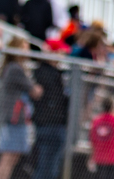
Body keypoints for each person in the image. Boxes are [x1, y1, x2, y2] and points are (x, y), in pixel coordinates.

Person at [0, 37, 42, 179]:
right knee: (7, 157)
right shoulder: (15, 68)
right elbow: (35, 91)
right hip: (14, 119)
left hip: (19, 119)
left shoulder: (17, 68)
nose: (27, 51)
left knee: (13, 157)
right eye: (23, 47)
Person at [31, 46, 68, 179]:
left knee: (51, 166)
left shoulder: (57, 73)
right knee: (46, 166)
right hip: (49, 124)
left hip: (53, 124)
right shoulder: (46, 73)